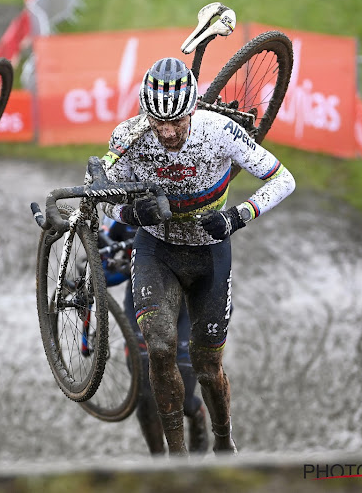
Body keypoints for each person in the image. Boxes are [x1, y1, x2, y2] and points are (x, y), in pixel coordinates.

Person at [101, 57, 295, 456]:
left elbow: (283, 178)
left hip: (209, 254)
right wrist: (130, 213)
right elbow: (102, 197)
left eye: (178, 122)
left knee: (207, 368)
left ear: (193, 109)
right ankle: (176, 458)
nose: (168, 132)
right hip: (157, 250)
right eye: (159, 123)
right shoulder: (129, 137)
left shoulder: (220, 131)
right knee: (158, 347)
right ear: (145, 113)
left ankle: (223, 437)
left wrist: (239, 215)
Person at [100, 218, 209, 455]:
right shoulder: (124, 215)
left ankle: (196, 414)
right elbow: (101, 266)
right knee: (145, 393)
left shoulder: (192, 202)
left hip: (188, 309)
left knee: (181, 399)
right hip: (144, 305)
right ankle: (159, 462)